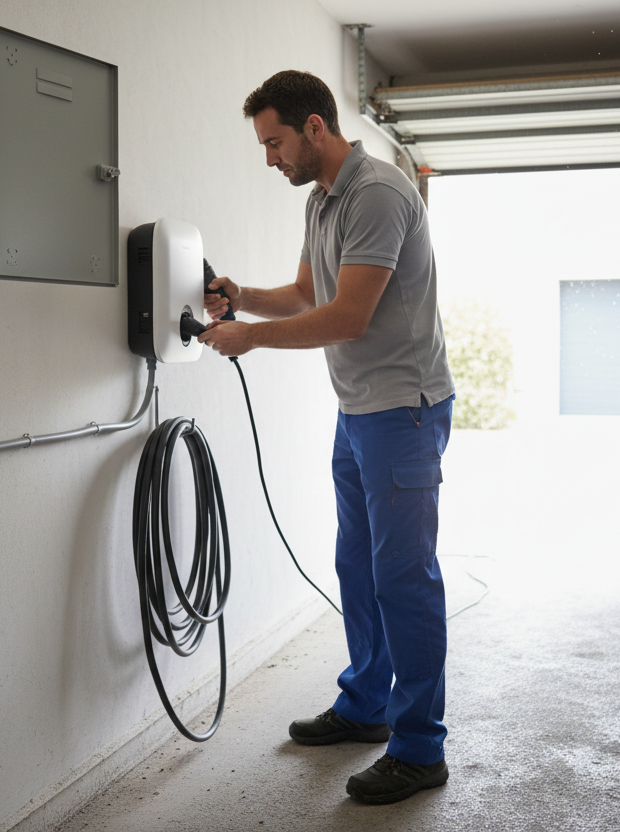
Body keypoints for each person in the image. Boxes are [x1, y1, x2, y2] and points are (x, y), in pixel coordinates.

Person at [197, 70, 455, 805]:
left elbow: (348, 317)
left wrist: (252, 338)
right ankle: (369, 702)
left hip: (402, 413)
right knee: (358, 566)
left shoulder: (375, 193)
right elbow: (308, 293)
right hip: (359, 412)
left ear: (314, 128)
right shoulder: (323, 200)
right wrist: (240, 297)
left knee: (405, 578)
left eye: (274, 142)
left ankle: (419, 749)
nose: (269, 157)